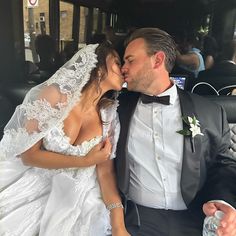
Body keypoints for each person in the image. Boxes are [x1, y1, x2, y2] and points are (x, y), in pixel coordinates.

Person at [0, 42, 130, 236]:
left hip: (81, 192)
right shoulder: (54, 96)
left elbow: (105, 174)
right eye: (117, 61)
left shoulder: (109, 116)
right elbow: (29, 155)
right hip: (37, 182)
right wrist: (85, 161)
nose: (123, 69)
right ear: (98, 65)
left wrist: (119, 226)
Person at [116, 27, 236, 236]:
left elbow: (222, 163)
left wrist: (222, 201)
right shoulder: (116, 109)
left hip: (196, 217)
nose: (123, 68)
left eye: (130, 60)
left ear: (157, 60)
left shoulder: (209, 112)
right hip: (135, 219)